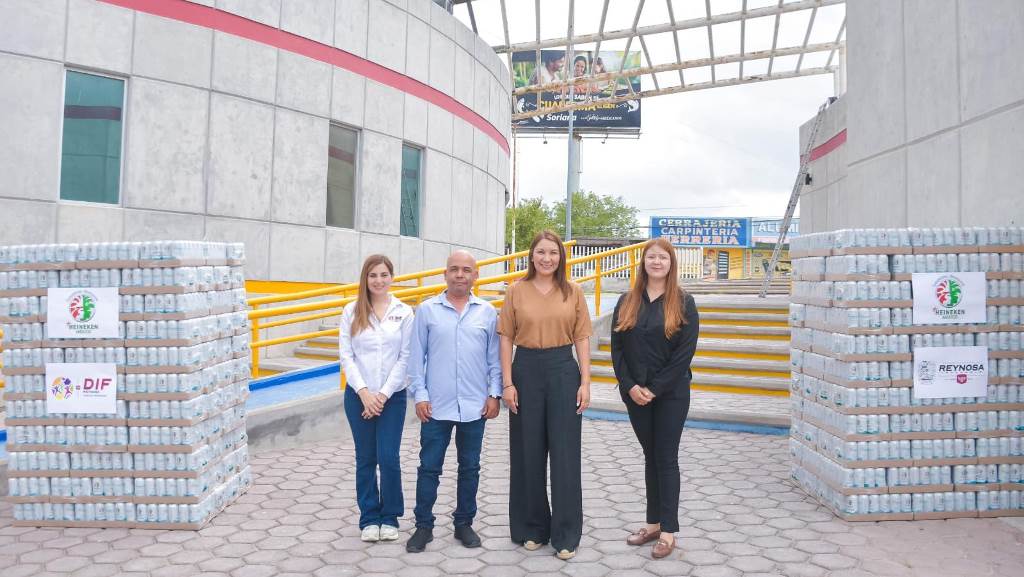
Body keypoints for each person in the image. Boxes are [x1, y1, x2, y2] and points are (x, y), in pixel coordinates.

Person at [499, 230, 592, 560]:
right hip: (525, 370)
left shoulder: (573, 291)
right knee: (528, 452)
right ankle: (533, 527)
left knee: (565, 454)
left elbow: (582, 338)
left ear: (561, 257)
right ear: (531, 256)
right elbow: (505, 338)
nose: (547, 258)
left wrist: (585, 382)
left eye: (553, 252)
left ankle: (566, 534)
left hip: (563, 370)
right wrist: (507, 383)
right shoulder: (515, 291)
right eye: (541, 252)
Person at [405, 251, 503, 553]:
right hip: (436, 406)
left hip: (475, 406)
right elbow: (415, 358)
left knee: (470, 467)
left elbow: (494, 359)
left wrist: (494, 394)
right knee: (429, 467)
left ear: (476, 276)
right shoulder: (427, 311)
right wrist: (420, 395)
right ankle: (423, 526)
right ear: (445, 274)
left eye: (466, 270)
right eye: (454, 269)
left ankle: (464, 524)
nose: (460, 275)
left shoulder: (487, 313)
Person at [610, 238, 699, 559]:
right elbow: (617, 349)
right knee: (651, 456)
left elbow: (684, 354)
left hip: (671, 395)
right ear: (643, 262)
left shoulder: (684, 302)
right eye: (651, 257)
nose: (657, 262)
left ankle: (669, 531)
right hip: (635, 395)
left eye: (663, 257)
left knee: (666, 457)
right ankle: (653, 524)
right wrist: (630, 386)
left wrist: (654, 388)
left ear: (671, 264)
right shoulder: (627, 301)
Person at [338, 254, 414, 543]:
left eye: (384, 275)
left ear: (391, 277)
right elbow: (346, 356)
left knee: (388, 457)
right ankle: (369, 518)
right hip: (358, 396)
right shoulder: (351, 311)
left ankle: (390, 517)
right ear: (365, 278)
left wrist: (381, 395)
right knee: (366, 458)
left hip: (391, 397)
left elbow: (405, 358)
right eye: (373, 275)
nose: (379, 280)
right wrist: (364, 393)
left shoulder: (404, 312)